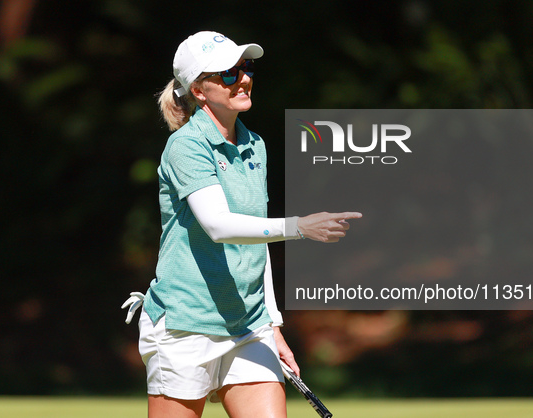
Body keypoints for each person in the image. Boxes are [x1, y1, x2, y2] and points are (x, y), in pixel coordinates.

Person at [122, 31, 361, 418]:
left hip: (248, 327)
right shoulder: (186, 146)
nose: (244, 78)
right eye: (228, 74)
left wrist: (272, 325)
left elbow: (254, 240)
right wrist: (299, 226)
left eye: (244, 68)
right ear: (199, 91)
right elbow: (219, 225)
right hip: (186, 323)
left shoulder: (255, 145)